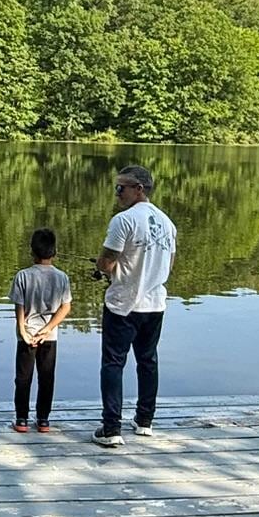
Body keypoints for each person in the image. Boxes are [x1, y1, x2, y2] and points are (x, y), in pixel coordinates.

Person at [91, 164, 176, 448]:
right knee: (148, 362)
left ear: (139, 188)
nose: (117, 194)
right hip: (155, 304)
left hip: (122, 305)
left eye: (121, 188)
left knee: (113, 363)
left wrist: (104, 269)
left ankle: (111, 428)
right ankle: (144, 421)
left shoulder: (123, 221)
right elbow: (169, 264)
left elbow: (106, 262)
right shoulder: (167, 223)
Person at [8, 227, 73, 432]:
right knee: (47, 377)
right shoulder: (62, 277)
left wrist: (23, 330)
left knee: (23, 378)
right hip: (50, 336)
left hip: (27, 335)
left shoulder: (23, 276)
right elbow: (66, 307)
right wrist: (48, 329)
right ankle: (43, 420)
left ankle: (21, 420)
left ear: (32, 252)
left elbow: (19, 306)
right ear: (54, 252)